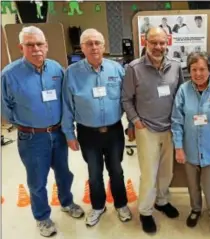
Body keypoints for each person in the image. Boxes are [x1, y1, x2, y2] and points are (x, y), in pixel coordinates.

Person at [1, 26, 84, 237]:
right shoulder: (9, 75)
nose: (36, 48)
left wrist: (67, 130)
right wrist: (25, 123)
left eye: (39, 44)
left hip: (57, 133)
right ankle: (42, 217)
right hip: (31, 137)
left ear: (46, 46)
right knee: (37, 181)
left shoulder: (56, 69)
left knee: (64, 173)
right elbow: (4, 107)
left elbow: (66, 101)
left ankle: (67, 202)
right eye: (30, 45)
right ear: (21, 48)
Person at [61, 28, 132, 227]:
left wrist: (132, 124)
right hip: (87, 133)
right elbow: (67, 105)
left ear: (104, 46)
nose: (93, 47)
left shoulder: (116, 69)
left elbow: (127, 99)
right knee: (94, 173)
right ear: (81, 48)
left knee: (116, 170)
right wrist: (69, 133)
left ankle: (121, 204)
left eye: (97, 43)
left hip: (114, 130)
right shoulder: (72, 73)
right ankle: (98, 206)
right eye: (88, 43)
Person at [122, 27, 184, 234]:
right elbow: (126, 99)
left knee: (167, 171)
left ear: (168, 43)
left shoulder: (175, 66)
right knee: (149, 173)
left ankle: (162, 201)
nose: (158, 47)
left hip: (170, 128)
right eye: (153, 42)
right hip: (146, 129)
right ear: (145, 42)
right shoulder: (134, 68)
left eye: (162, 43)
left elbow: (181, 96)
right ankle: (145, 211)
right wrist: (135, 121)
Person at [171, 52, 210, 234]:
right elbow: (176, 122)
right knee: (192, 186)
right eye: (194, 69)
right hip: (189, 151)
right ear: (189, 70)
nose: (198, 73)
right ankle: (196, 209)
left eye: (202, 69)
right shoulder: (183, 90)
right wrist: (178, 148)